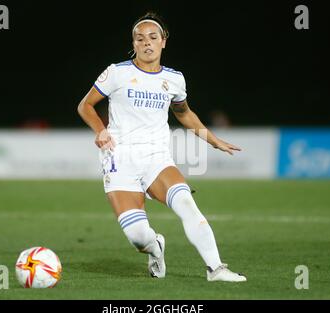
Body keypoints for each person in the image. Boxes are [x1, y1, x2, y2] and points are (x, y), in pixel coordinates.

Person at [77, 12, 246, 282]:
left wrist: (212, 139)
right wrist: (100, 130)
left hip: (157, 157)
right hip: (119, 158)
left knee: (186, 204)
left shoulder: (175, 79)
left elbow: (183, 113)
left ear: (163, 42)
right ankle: (155, 247)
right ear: (133, 43)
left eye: (153, 38)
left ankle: (216, 269)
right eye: (140, 38)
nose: (147, 43)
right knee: (137, 237)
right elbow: (85, 105)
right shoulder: (117, 73)